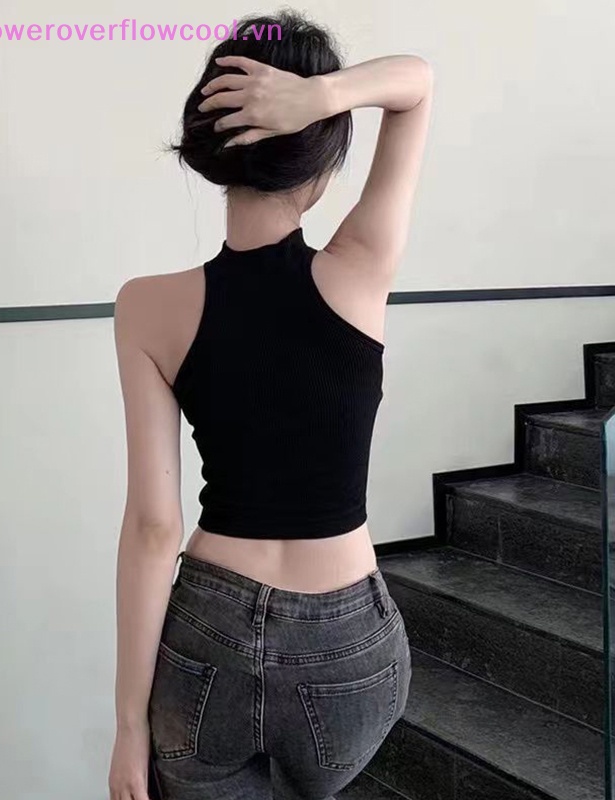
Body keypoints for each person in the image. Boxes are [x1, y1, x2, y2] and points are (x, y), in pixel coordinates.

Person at [108, 10, 433, 800]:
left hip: (208, 636)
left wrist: (127, 728)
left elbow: (153, 529)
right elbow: (416, 86)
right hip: (346, 646)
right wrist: (323, 96)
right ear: (319, 156)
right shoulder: (357, 271)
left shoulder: (146, 306)